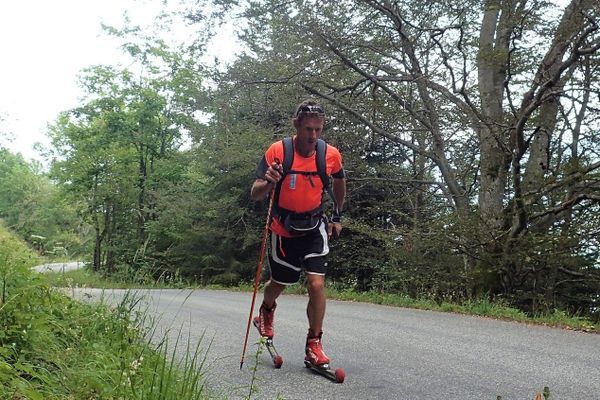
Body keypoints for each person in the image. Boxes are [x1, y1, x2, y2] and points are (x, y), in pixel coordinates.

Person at [250, 99, 346, 366]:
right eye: (307, 129)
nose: (313, 135)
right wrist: (269, 181)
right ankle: (266, 311)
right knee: (279, 283)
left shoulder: (330, 154)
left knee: (316, 284)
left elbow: (339, 181)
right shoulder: (278, 151)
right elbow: (255, 194)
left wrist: (337, 215)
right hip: (283, 230)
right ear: (296, 126)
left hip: (314, 228)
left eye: (318, 129)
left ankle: (314, 343)